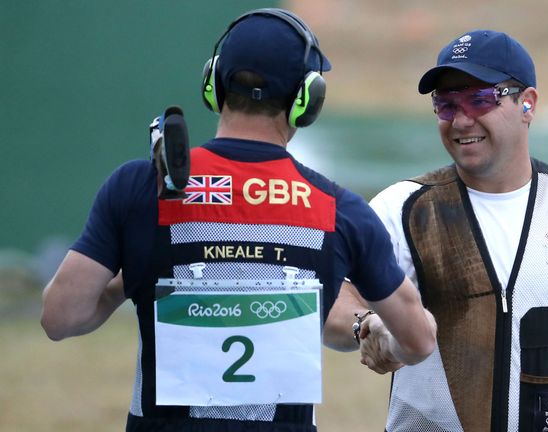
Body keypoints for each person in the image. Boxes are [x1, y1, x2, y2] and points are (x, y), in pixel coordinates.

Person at [40, 8, 436, 432]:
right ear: (307, 99)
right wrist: (380, 333)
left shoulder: (139, 187)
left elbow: (60, 316)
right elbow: (418, 340)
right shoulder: (336, 209)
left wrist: (140, 273)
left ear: (213, 84)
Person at [325, 29, 548, 431]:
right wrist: (365, 324)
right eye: (446, 105)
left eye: (480, 99)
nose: (462, 120)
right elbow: (332, 298)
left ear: (527, 104)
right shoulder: (402, 208)